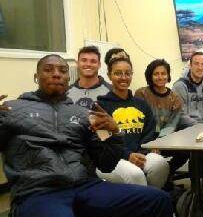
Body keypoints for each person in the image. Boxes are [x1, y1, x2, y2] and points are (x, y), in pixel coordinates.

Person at [0, 55, 177, 217]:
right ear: (36, 76)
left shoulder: (83, 114)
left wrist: (114, 134)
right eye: (48, 70)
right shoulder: (11, 109)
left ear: (68, 78)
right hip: (38, 192)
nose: (56, 74)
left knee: (158, 201)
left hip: (84, 186)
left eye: (62, 71)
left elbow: (106, 164)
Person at [97, 53, 169, 188]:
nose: (123, 77)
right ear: (109, 75)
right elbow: (102, 139)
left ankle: (151, 200)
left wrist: (142, 152)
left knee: (161, 165)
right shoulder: (101, 106)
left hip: (140, 153)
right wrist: (127, 155)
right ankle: (143, 206)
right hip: (112, 158)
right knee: (136, 175)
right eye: (118, 73)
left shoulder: (141, 104)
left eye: (127, 73)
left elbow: (150, 131)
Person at [135, 59, 189, 174]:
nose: (160, 77)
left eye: (163, 73)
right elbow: (140, 122)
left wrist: (159, 142)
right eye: (156, 74)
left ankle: (166, 174)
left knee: (185, 152)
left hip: (165, 138)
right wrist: (151, 143)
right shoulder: (141, 94)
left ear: (168, 75)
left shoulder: (175, 98)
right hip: (144, 139)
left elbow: (171, 125)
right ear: (150, 76)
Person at [173, 51, 203, 128]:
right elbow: (181, 116)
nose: (200, 67)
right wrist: (200, 126)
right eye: (196, 64)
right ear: (190, 66)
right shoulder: (180, 86)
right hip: (187, 129)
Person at [67, 45, 111, 109]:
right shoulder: (66, 93)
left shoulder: (111, 92)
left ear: (99, 65)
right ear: (77, 63)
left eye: (93, 61)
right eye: (84, 60)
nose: (88, 64)